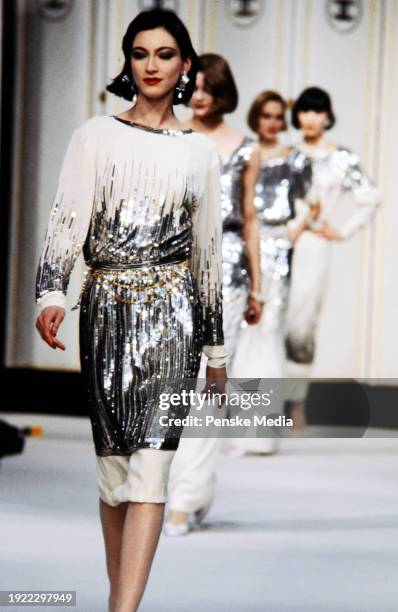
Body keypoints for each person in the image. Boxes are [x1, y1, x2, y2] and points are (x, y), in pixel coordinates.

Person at [35, 9, 226, 612]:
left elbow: (209, 259)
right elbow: (66, 218)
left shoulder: (201, 153)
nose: (151, 65)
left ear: (184, 66)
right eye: (140, 53)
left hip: (175, 318)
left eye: (165, 54)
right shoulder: (95, 135)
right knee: (115, 475)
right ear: (129, 61)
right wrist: (51, 293)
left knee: (150, 473)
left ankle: (124, 610)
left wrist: (216, 353)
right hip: (106, 314)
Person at [165, 54, 263, 536]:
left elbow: (249, 220)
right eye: (194, 86)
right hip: (174, 269)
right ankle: (193, 484)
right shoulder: (171, 137)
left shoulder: (247, 149)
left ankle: (185, 496)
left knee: (210, 382)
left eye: (210, 87)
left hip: (228, 271)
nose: (200, 95)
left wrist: (259, 285)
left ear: (225, 93)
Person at [285, 86, 380, 426]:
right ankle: (262, 408)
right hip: (278, 244)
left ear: (327, 115)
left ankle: (296, 402)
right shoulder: (287, 154)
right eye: (304, 111)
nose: (309, 118)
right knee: (267, 322)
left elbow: (370, 196)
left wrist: (341, 230)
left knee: (301, 323)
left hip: (313, 247)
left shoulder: (341, 157)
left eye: (316, 111)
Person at [230, 90, 318, 448]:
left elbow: (312, 204)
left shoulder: (296, 160)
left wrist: (292, 233)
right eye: (267, 115)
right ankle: (242, 430)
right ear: (256, 117)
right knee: (242, 330)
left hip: (278, 250)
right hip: (245, 248)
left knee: (268, 329)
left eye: (279, 116)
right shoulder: (243, 154)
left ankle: (263, 432)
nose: (273, 123)